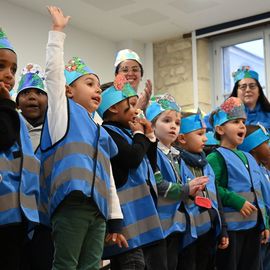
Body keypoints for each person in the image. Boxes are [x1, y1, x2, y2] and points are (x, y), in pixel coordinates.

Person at [39, 6, 126, 270]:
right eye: (89, 83)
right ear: (68, 90)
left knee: (92, 266)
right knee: (66, 265)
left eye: (99, 87)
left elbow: (107, 178)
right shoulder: (62, 115)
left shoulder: (99, 128)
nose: (97, 90)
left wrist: (115, 220)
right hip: (71, 204)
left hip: (98, 210)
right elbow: (53, 77)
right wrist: (57, 34)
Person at [98, 74, 164, 270]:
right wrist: (139, 136)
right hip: (126, 223)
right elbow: (132, 159)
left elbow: (150, 165)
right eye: (132, 105)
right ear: (113, 107)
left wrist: (149, 136)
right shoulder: (108, 132)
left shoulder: (129, 133)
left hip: (142, 221)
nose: (137, 111)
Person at [145, 94, 209, 270]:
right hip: (157, 226)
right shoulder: (151, 152)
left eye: (177, 123)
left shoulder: (177, 155)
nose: (173, 126)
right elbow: (158, 184)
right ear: (151, 125)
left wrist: (195, 188)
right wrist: (187, 188)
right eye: (166, 120)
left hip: (176, 224)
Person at [207, 97, 269, 270]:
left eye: (243, 121)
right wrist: (236, 200)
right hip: (232, 229)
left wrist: (265, 223)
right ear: (220, 129)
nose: (242, 126)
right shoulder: (215, 157)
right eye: (235, 122)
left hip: (253, 227)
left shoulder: (248, 157)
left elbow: (258, 193)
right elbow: (212, 188)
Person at [0, 28, 40, 269]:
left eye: (13, 69)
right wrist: (5, 103)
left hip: (16, 215)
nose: (8, 74)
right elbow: (3, 138)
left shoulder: (11, 112)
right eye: (1, 66)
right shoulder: (7, 109)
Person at [175, 111, 228, 270]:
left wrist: (223, 229)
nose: (205, 138)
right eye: (200, 134)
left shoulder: (206, 164)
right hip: (189, 236)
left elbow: (216, 199)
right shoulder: (177, 163)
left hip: (209, 231)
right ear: (182, 139)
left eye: (205, 133)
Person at [16, 63, 54, 270]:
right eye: (26, 93)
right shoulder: (10, 131)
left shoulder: (58, 133)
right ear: (16, 101)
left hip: (47, 218)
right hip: (16, 216)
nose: (32, 97)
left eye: (39, 92)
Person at [238, 124, 270, 270]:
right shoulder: (252, 172)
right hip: (261, 228)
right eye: (266, 143)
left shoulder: (263, 170)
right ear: (254, 148)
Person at [229, 66, 270, 130]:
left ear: (259, 91)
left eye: (252, 86)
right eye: (243, 87)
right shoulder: (227, 112)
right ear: (236, 92)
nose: (248, 90)